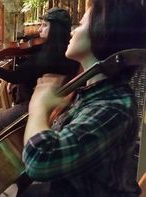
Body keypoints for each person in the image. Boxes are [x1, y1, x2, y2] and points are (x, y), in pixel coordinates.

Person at [22, 0, 146, 196]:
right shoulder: (92, 91)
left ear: (102, 32)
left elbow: (40, 161)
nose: (72, 32)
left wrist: (38, 108)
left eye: (80, 25)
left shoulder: (114, 105)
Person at [0, 7, 80, 145]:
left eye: (44, 25)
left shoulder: (46, 57)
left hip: (32, 105)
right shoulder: (66, 50)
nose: (39, 30)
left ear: (55, 28)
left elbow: (14, 76)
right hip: (54, 104)